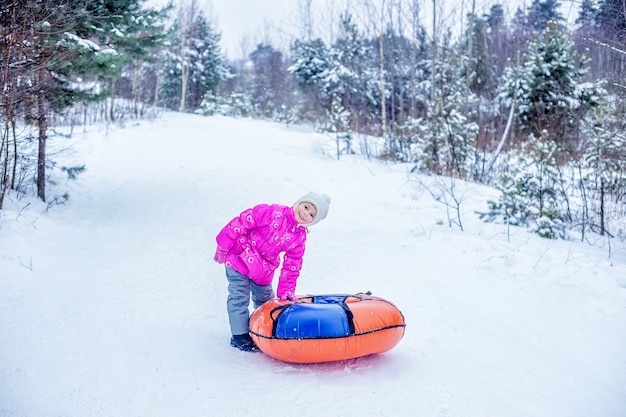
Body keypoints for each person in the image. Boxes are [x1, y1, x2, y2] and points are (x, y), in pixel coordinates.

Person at [213, 192, 331, 352]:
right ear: (298, 203)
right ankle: (239, 335)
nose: (305, 213)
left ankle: (265, 330)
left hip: (262, 268)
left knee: (266, 301)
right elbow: (241, 222)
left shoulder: (299, 238)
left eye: (312, 215)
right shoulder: (272, 213)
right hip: (240, 256)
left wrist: (287, 291)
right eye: (306, 206)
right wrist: (224, 244)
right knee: (239, 296)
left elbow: (292, 265)